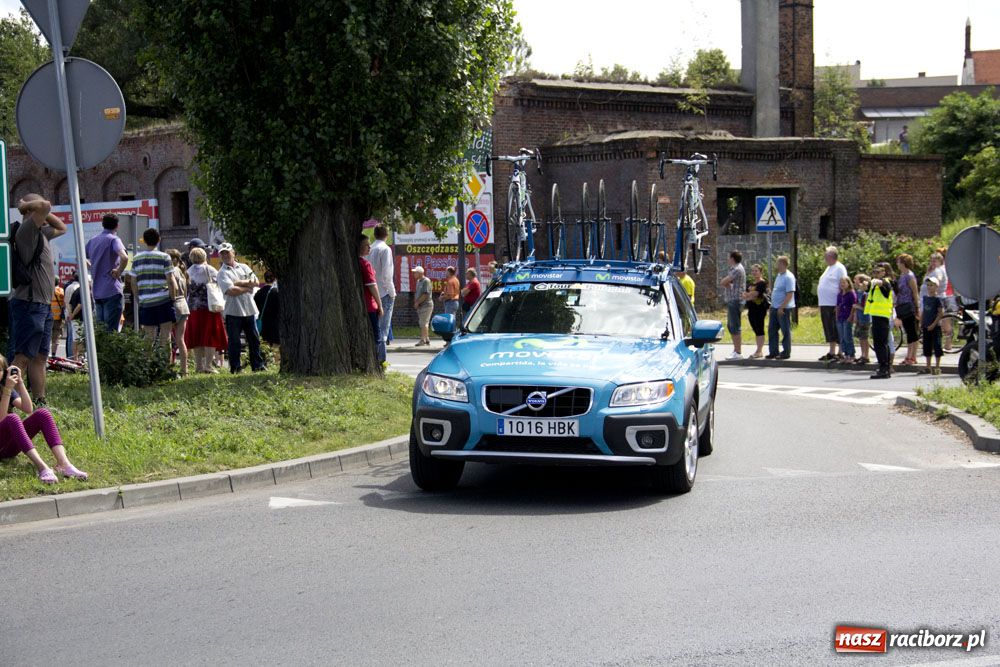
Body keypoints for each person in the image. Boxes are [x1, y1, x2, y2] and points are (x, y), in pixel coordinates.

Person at [8, 195, 67, 404]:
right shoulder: (27, 232)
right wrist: (25, 206)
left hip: (43, 305)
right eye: (40, 211)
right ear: (31, 212)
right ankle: (6, 402)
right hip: (29, 304)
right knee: (22, 357)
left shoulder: (41, 232)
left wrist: (41, 212)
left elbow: (62, 227)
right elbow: (44, 206)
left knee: (40, 357)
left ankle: (40, 402)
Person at [0, 355, 87, 483]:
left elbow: (28, 408)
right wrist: (7, 390)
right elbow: (2, 419)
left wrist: (20, 383)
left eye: (0, 370)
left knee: (43, 414)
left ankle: (64, 464)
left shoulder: (4, 387)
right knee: (12, 418)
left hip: (8, 448)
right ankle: (42, 467)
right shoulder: (6, 389)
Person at [217, 242, 264, 373]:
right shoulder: (221, 273)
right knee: (234, 342)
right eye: (223, 253)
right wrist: (247, 287)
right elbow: (231, 291)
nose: (225, 255)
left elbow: (256, 282)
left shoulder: (244, 267)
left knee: (254, 340)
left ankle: (258, 365)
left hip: (249, 309)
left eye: (227, 252)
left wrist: (239, 283)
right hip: (233, 311)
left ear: (233, 253)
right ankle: (235, 367)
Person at [128, 228, 178, 345]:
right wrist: (173, 298)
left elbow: (133, 282)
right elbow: (170, 280)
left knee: (148, 337)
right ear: (159, 240)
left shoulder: (136, 258)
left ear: (144, 241)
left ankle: (148, 362)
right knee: (166, 336)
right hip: (163, 301)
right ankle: (164, 362)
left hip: (146, 302)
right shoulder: (165, 257)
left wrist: (138, 299)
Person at [183, 247, 228, 373]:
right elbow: (219, 284)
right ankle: (208, 365)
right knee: (210, 336)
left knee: (197, 337)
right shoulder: (210, 270)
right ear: (204, 257)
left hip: (193, 309)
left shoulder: (188, 272)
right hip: (210, 308)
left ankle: (198, 366)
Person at [84, 213, 129, 332]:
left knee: (101, 330)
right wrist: (119, 271)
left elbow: (81, 257)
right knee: (111, 331)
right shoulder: (114, 239)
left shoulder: (93, 240)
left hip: (97, 291)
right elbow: (124, 258)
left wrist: (93, 266)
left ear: (102, 224)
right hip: (112, 289)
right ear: (117, 226)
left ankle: (100, 351)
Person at [817, 246, 848, 361]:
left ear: (831, 256)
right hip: (825, 303)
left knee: (836, 327)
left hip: (833, 303)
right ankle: (831, 351)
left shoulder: (839, 268)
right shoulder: (829, 268)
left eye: (826, 255)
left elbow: (843, 285)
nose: (824, 257)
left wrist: (839, 303)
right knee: (828, 327)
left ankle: (840, 351)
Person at [865, 262, 895, 379]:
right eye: (874, 272)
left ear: (884, 272)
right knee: (879, 343)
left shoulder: (886, 282)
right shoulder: (874, 285)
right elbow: (867, 288)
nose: (876, 275)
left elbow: (883, 284)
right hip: (876, 316)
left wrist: (878, 281)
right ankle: (884, 368)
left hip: (882, 317)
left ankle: (884, 368)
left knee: (881, 344)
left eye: (878, 272)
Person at [368, 225, 396, 350]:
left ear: (375, 234)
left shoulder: (370, 248)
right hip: (383, 292)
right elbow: (387, 274)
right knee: (383, 329)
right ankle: (380, 357)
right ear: (387, 234)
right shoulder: (385, 249)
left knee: (373, 328)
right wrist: (392, 292)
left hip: (371, 291)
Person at [359, 235, 384, 361]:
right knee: (376, 335)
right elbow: (372, 286)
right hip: (370, 305)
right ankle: (377, 361)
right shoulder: (365, 264)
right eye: (366, 245)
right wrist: (380, 305)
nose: (369, 247)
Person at [166, 249, 190, 377]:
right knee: (181, 340)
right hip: (184, 305)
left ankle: (169, 367)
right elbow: (185, 292)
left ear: (174, 259)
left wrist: (171, 301)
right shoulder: (181, 272)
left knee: (168, 339)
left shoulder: (171, 272)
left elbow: (172, 288)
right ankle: (184, 369)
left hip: (175, 304)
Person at [767, 256, 796, 360]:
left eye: (778, 263)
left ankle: (786, 352)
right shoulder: (779, 275)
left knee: (785, 330)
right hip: (775, 307)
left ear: (783, 264)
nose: (776, 265)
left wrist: (782, 307)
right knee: (772, 330)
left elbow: (790, 294)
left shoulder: (788, 277)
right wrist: (773, 304)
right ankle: (773, 351)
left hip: (784, 308)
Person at [894, 253, 921, 366]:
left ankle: (912, 356)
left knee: (912, 332)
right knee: (908, 331)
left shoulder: (909, 276)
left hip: (909, 306)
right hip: (902, 306)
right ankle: (909, 355)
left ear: (903, 263)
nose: (897, 264)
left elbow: (915, 292)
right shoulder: (902, 275)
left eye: (899, 261)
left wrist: (917, 307)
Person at [719, 250, 746, 359]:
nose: (727, 259)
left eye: (729, 257)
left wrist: (725, 282)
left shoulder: (736, 269)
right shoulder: (735, 269)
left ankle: (738, 352)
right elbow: (726, 283)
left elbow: (723, 282)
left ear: (732, 258)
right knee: (732, 326)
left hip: (735, 300)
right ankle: (736, 350)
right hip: (733, 299)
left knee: (735, 326)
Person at [920, 277, 945, 375]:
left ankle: (937, 367)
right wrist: (921, 322)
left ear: (936, 286)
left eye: (932, 285)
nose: (929, 287)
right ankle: (928, 366)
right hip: (926, 325)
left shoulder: (937, 299)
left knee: (937, 345)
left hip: (935, 326)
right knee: (927, 346)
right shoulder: (925, 298)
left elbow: (940, 313)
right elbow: (923, 311)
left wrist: (934, 324)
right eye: (928, 285)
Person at [742, 264, 769, 358]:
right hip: (752, 309)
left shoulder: (762, 283)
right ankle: (758, 350)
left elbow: (756, 294)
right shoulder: (751, 284)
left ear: (760, 272)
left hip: (760, 309)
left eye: (756, 271)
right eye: (753, 271)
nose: (754, 272)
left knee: (759, 328)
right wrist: (749, 295)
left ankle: (759, 351)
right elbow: (745, 295)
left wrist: (749, 295)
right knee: (755, 329)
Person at [254, 271, 280, 347]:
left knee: (265, 346)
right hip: (275, 324)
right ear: (275, 279)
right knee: (276, 347)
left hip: (263, 323)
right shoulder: (277, 292)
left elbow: (255, 308)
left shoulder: (258, 293)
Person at [937, 248, 956, 350]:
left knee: (940, 321)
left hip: (944, 296)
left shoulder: (941, 269)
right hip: (950, 295)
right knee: (946, 321)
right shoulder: (949, 268)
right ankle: (948, 344)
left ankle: (941, 344)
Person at [836, 276, 857, 363]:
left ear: (848, 283)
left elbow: (854, 306)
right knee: (842, 338)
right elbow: (837, 306)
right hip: (840, 317)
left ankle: (852, 354)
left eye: (844, 282)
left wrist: (851, 316)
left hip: (847, 317)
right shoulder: (839, 294)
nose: (842, 284)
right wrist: (836, 316)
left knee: (847, 337)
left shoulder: (851, 293)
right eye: (841, 283)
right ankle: (845, 355)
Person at [852, 273, 872, 365]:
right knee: (860, 338)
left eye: (856, 280)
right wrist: (855, 315)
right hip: (859, 319)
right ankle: (862, 354)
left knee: (864, 337)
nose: (854, 282)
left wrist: (857, 307)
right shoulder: (857, 293)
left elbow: (866, 308)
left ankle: (866, 356)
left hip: (865, 319)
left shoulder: (865, 294)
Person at [412, 265, 434, 346]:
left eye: (415, 273)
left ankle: (423, 340)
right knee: (424, 323)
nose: (414, 274)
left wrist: (417, 303)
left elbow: (425, 294)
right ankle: (427, 338)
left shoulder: (426, 281)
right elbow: (417, 293)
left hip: (426, 305)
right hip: (421, 305)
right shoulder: (418, 281)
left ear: (420, 273)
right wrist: (416, 302)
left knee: (423, 323)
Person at [62, 273, 80, 358]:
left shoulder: (68, 287)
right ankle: (73, 356)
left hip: (68, 312)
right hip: (74, 314)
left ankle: (69, 355)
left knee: (69, 336)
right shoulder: (78, 288)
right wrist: (71, 314)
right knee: (75, 337)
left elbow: (66, 302)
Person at [49, 278, 65, 357]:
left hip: (48, 317)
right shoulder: (61, 291)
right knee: (55, 338)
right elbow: (64, 303)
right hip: (58, 318)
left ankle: (44, 354)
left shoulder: (48, 290)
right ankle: (53, 355)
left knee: (47, 336)